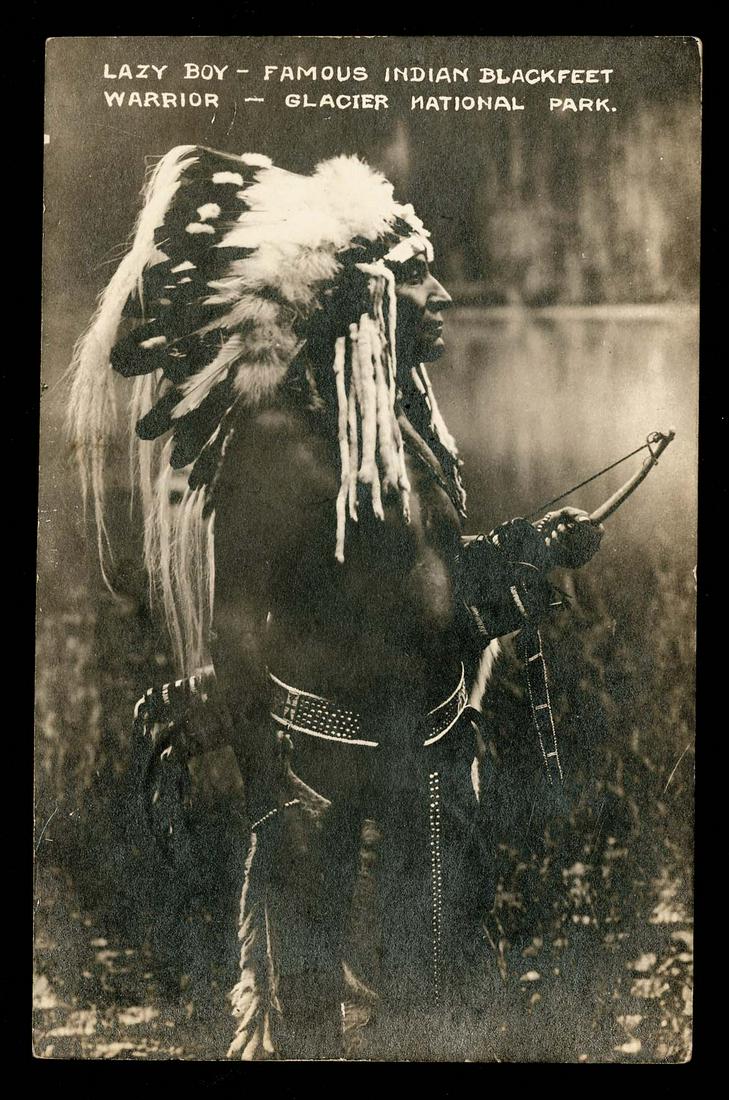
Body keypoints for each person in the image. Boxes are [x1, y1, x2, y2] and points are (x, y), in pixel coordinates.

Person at [68, 144, 603, 1060]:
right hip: (319, 776)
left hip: (429, 760)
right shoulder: (280, 441)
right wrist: (269, 800)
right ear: (363, 300)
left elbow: (421, 581)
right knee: (306, 1021)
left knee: (426, 999)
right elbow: (238, 629)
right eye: (416, 277)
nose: (439, 298)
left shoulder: (404, 419)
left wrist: (523, 555)